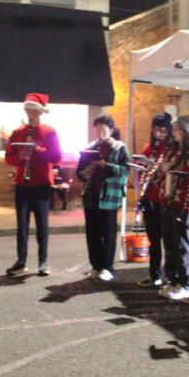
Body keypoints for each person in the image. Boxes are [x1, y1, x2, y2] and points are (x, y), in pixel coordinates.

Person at [4, 93, 62, 276]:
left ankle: (43, 262)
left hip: (42, 184)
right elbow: (8, 158)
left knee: (42, 226)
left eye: (33, 111)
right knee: (22, 227)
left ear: (39, 112)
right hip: (22, 183)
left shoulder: (49, 132)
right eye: (28, 110)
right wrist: (19, 158)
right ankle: (21, 262)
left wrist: (39, 149)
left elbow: (56, 157)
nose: (30, 113)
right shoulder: (18, 132)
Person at [76, 115, 131, 281]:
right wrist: (84, 173)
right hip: (91, 194)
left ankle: (107, 267)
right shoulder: (90, 147)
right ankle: (95, 266)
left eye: (104, 130)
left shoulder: (119, 148)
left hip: (109, 195)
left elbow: (125, 170)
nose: (100, 133)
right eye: (98, 130)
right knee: (92, 233)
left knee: (108, 233)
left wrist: (106, 165)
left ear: (111, 131)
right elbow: (79, 171)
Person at [158, 115, 189, 299]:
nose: (173, 133)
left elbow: (188, 170)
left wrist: (167, 167)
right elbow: (165, 168)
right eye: (173, 129)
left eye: (177, 129)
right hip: (169, 198)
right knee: (169, 242)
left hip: (184, 201)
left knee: (182, 243)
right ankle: (172, 279)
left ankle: (185, 283)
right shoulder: (174, 149)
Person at [137, 112, 172, 288]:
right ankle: (154, 274)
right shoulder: (149, 147)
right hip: (150, 198)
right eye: (156, 130)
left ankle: (172, 277)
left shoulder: (172, 147)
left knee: (169, 241)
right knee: (153, 240)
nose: (158, 134)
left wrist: (159, 170)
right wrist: (144, 171)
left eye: (162, 130)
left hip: (164, 200)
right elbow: (141, 169)